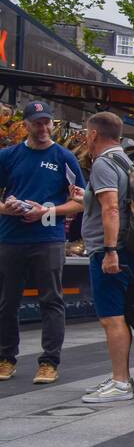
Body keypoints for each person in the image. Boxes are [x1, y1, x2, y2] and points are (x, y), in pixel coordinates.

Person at [0, 101, 85, 384]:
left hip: (48, 238)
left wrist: (47, 212)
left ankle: (49, 362)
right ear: (26, 125)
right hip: (11, 237)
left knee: (51, 300)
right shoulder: (8, 156)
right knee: (7, 301)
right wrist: (6, 208)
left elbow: (79, 202)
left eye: (47, 121)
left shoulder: (64, 157)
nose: (43, 127)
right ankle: (6, 358)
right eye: (37, 122)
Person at [80, 112, 134, 404]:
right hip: (131, 248)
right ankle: (122, 377)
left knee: (112, 318)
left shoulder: (104, 163)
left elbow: (110, 209)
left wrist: (109, 251)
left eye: (86, 132)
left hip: (111, 250)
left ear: (94, 134)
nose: (84, 137)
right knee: (120, 315)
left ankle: (120, 382)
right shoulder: (126, 162)